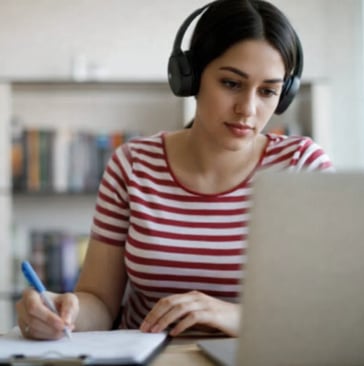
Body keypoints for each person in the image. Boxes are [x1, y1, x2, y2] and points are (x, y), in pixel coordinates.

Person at [16, 0, 333, 340]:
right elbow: (100, 302)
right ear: (190, 76)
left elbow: (328, 307)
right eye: (231, 83)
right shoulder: (133, 165)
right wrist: (62, 311)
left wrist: (234, 315)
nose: (248, 109)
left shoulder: (302, 167)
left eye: (268, 91)